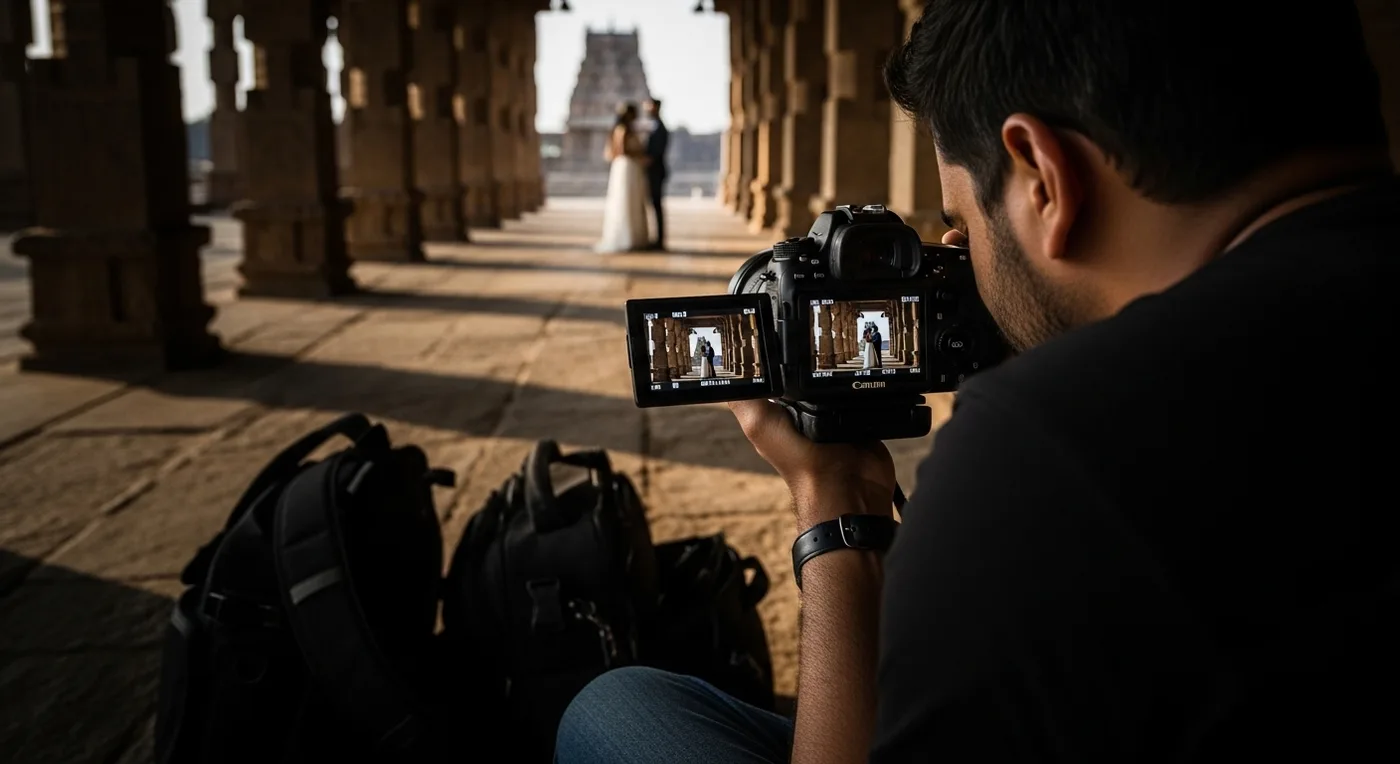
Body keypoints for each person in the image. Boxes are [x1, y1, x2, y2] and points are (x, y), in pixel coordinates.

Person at [557, 0, 1400, 762]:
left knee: (613, 709)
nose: (955, 262)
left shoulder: (1055, 443)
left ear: (1041, 175)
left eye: (960, 221)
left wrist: (834, 496)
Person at [594, 102, 651, 253]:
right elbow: (622, 150)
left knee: (633, 200)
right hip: (627, 166)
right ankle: (626, 237)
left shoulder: (630, 129)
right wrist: (640, 155)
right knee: (625, 199)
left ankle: (635, 236)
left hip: (632, 168)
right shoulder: (622, 130)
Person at [643, 98, 670, 251]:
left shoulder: (659, 127)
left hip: (656, 171)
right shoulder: (656, 126)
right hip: (654, 171)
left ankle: (659, 240)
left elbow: (656, 151)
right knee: (655, 205)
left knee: (657, 205)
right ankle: (657, 238)